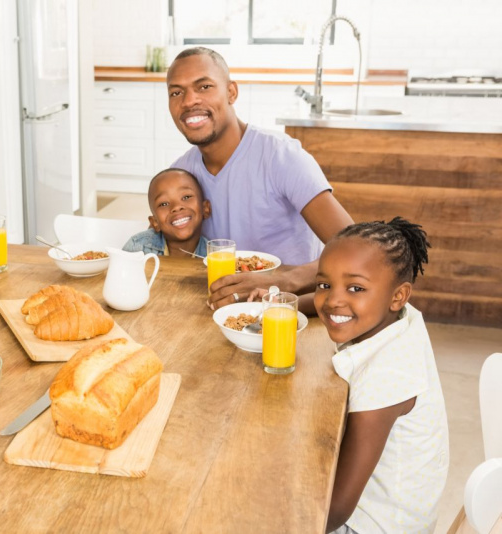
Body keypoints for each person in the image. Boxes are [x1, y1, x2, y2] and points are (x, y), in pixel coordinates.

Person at [165, 47, 354, 309]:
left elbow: (355, 249)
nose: (188, 101)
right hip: (219, 311)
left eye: (204, 86)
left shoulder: (282, 156)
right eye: (176, 92)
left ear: (231, 92)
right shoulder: (180, 175)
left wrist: (283, 280)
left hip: (291, 312)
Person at [313, 217, 448, 533]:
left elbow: (334, 510)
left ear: (398, 295)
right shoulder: (400, 316)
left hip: (373, 525)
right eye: (324, 285)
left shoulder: (386, 376)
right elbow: (333, 303)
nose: (333, 300)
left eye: (355, 288)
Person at [123, 168, 211, 257]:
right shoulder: (137, 248)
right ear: (155, 222)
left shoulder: (214, 256)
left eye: (186, 197)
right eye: (164, 204)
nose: (176, 207)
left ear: (205, 208)